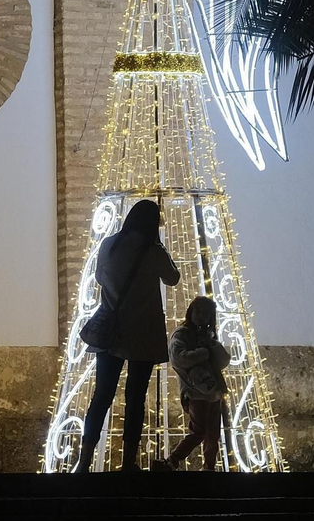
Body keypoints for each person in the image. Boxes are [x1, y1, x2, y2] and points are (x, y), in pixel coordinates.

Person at [75, 199, 181, 473]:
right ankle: (127, 463)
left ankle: (84, 460)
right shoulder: (153, 251)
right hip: (142, 336)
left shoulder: (109, 244)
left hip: (111, 333)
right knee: (135, 399)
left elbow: (99, 277)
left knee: (102, 396)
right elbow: (173, 278)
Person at [155, 295, 231, 472]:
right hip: (195, 392)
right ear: (190, 311)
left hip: (213, 391)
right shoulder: (181, 334)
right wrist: (203, 352)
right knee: (199, 431)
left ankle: (209, 466)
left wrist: (212, 345)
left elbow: (222, 361)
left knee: (213, 433)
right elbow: (178, 358)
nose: (200, 316)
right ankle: (173, 460)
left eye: (206, 313)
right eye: (198, 311)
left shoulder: (209, 337)